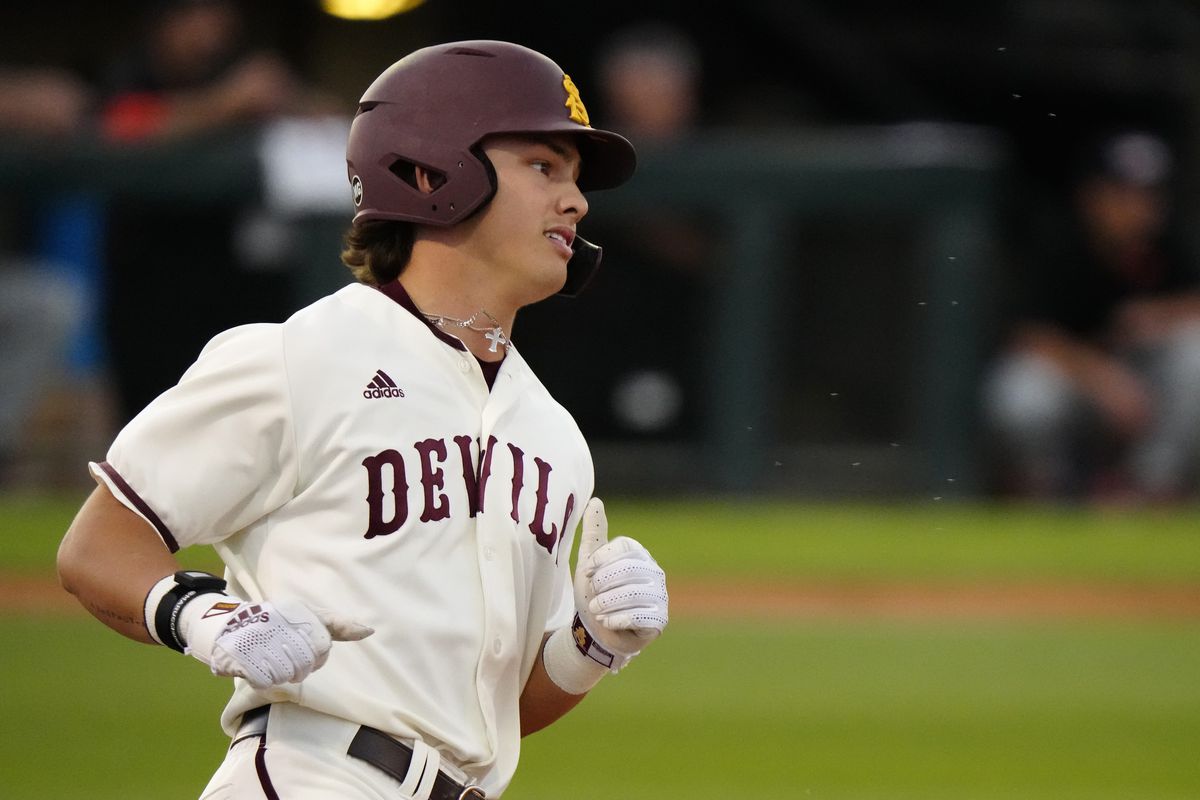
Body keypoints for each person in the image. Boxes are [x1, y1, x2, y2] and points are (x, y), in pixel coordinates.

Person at [56, 40, 669, 799]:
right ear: (428, 172)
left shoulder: (554, 436)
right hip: (311, 775)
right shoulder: (299, 358)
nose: (575, 201)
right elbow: (97, 547)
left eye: (576, 180)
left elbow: (493, 711)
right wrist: (212, 618)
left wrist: (592, 643)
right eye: (544, 167)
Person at [98, 0, 335, 425]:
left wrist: (295, 103)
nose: (211, 31)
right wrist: (227, 103)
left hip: (239, 274)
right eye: (198, 18)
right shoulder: (135, 72)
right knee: (154, 414)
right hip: (152, 273)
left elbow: (316, 111)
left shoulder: (236, 66)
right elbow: (117, 129)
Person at [982, 129, 1200, 502]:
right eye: (1123, 193)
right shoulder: (1061, 243)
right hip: (1079, 387)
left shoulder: (1172, 244)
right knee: (1022, 393)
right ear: (1092, 196)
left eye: (1149, 195)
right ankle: (1048, 497)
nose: (1138, 207)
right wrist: (1103, 380)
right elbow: (1029, 333)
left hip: (1150, 386)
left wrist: (1160, 316)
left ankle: (1147, 493)